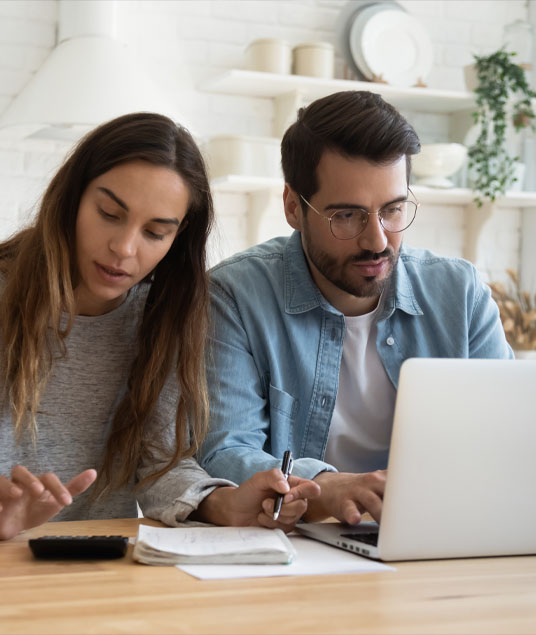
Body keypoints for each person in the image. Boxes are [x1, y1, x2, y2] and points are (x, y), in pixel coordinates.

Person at [0, 112, 319, 539]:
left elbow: (159, 469)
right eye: (109, 213)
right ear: (73, 197)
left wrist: (223, 503)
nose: (124, 248)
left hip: (96, 569)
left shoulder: (161, 314)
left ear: (177, 237)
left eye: (155, 232)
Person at [199, 91, 513, 526]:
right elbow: (224, 451)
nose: (377, 240)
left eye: (393, 209)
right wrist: (326, 487)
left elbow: (509, 439)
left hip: (439, 532)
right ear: (293, 206)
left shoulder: (460, 294)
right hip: (297, 545)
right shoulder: (233, 295)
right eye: (347, 216)